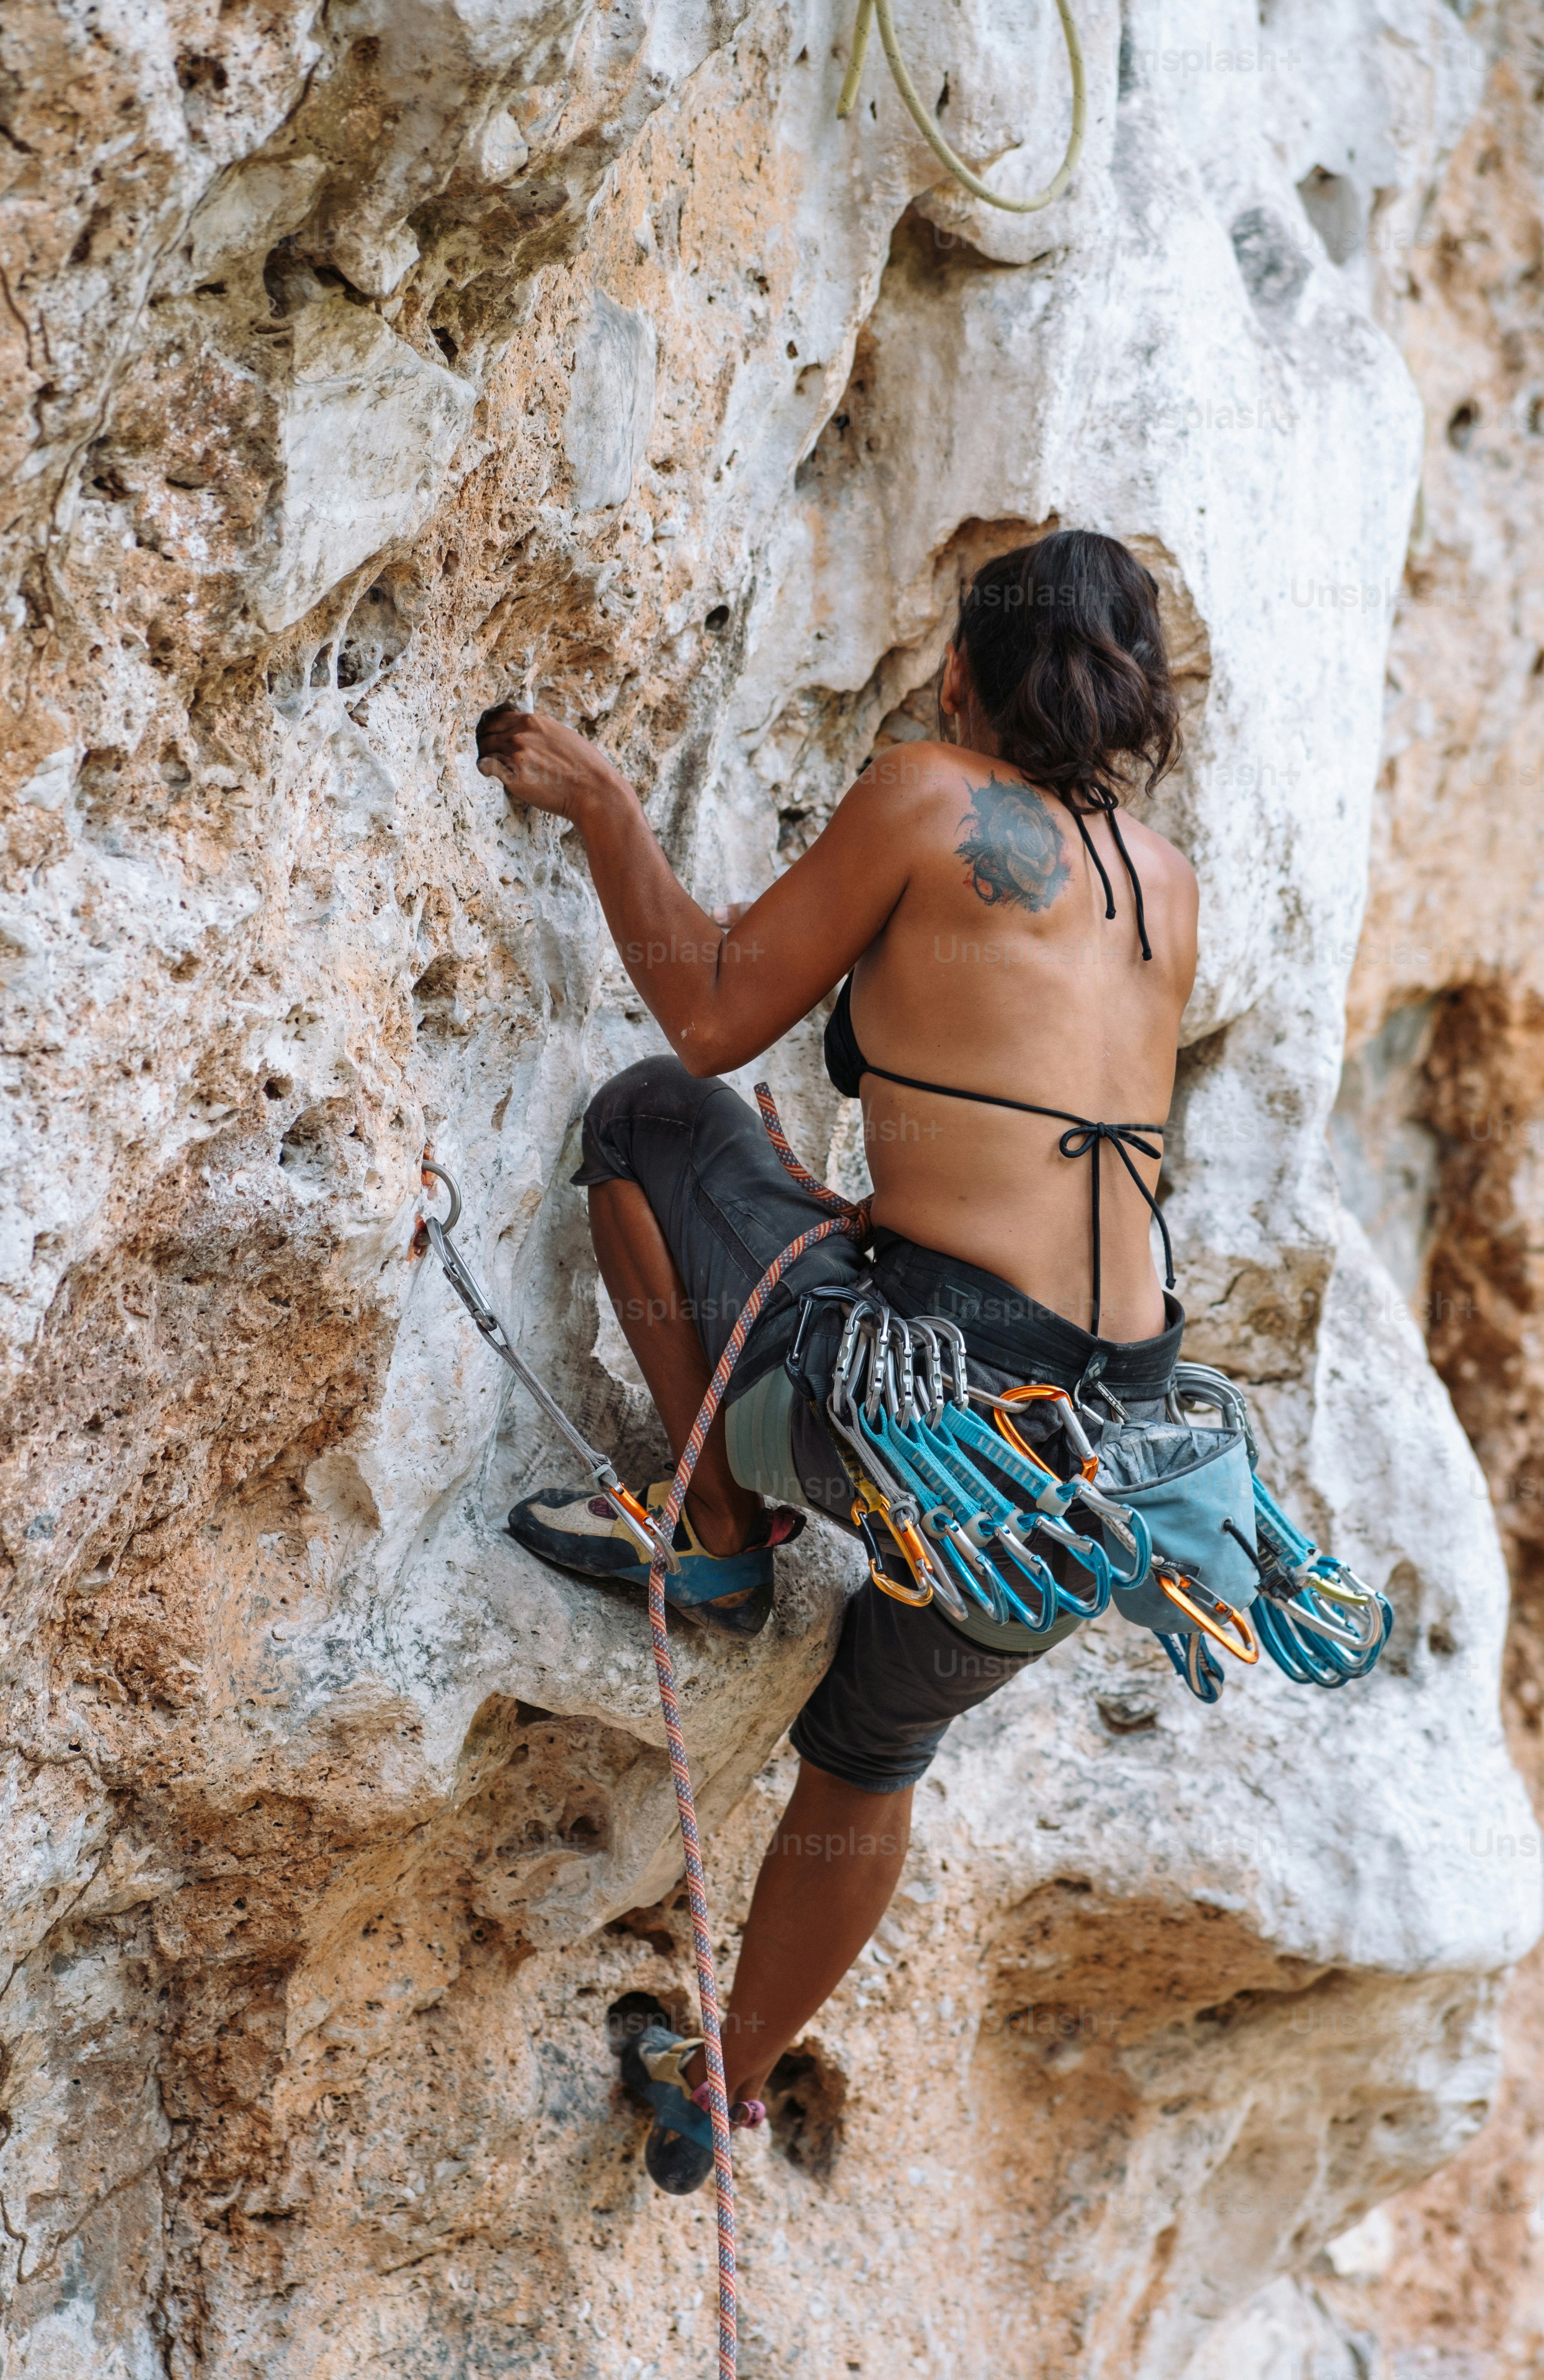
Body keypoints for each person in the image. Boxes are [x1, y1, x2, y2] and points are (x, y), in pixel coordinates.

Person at [477, 529, 1197, 2192]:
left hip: (927, 1406)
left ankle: (718, 1543)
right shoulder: (1161, 876)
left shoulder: (922, 789)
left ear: (959, 672)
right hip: (1109, 1444)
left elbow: (713, 1014)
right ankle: (718, 2085)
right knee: (871, 1752)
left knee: (645, 1123)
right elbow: (1044, 1123)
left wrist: (603, 810)